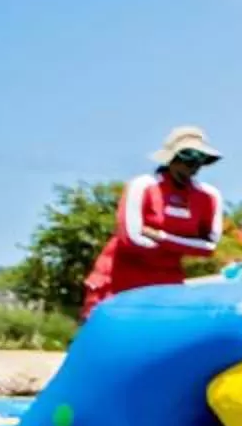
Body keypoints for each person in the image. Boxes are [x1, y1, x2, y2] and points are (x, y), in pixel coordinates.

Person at [82, 126, 227, 318]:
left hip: (167, 280)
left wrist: (160, 236)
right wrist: (184, 245)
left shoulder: (208, 197)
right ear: (171, 158)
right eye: (188, 157)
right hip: (119, 277)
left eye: (200, 159)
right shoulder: (143, 186)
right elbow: (132, 239)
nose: (193, 167)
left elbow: (209, 246)